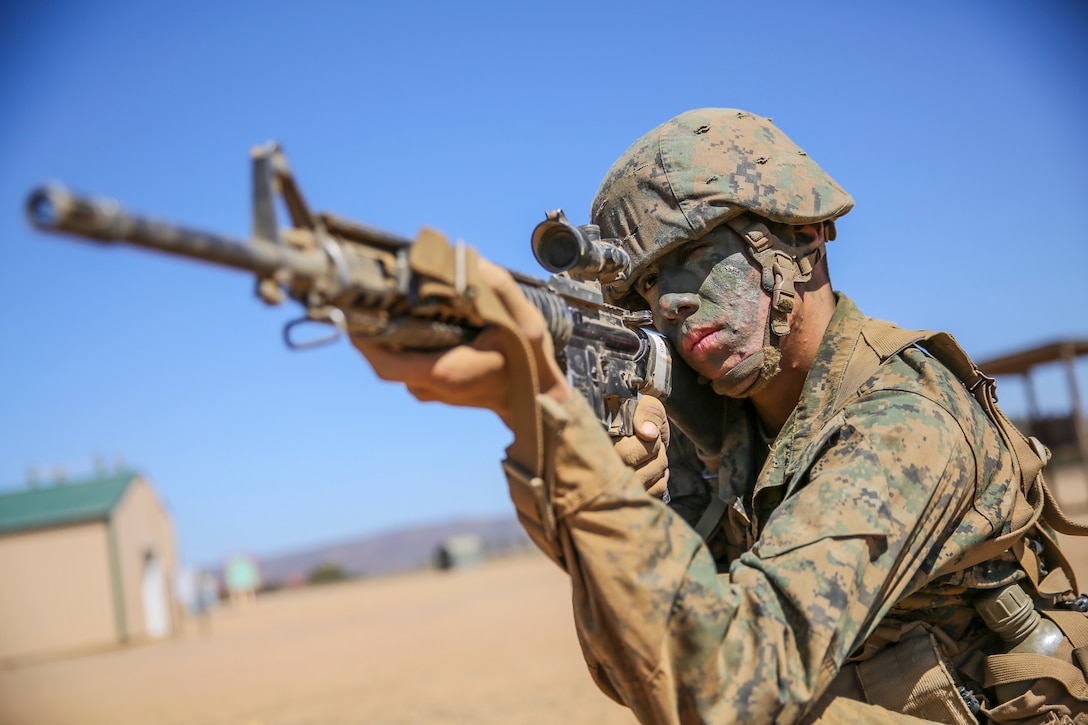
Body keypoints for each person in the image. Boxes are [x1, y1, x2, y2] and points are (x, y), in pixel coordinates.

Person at [353, 109, 1088, 724]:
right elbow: (648, 670)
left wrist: (542, 413)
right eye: (645, 284)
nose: (669, 301)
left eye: (695, 254)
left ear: (798, 236)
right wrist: (597, 493)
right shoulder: (724, 431)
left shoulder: (904, 421)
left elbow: (736, 688)